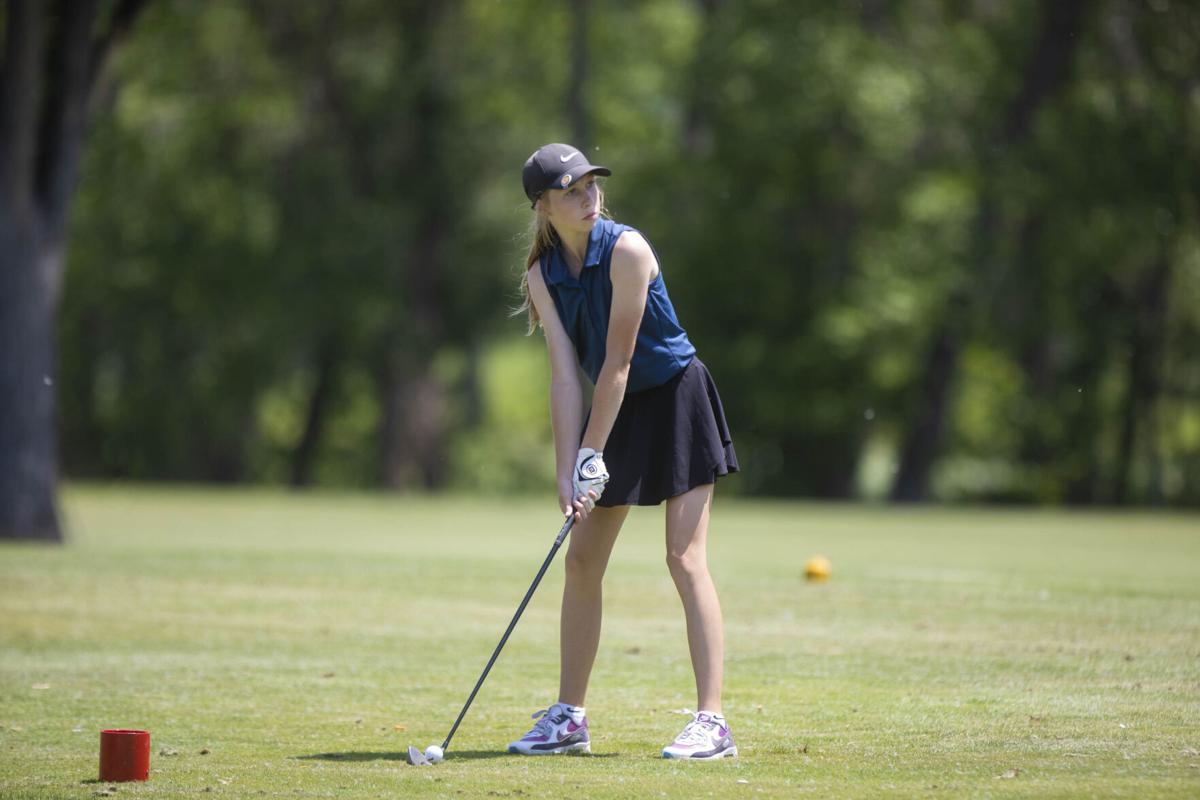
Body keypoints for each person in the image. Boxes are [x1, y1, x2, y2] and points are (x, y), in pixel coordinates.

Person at [506, 143, 739, 761]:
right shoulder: (541, 275)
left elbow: (619, 361)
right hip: (617, 412)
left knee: (684, 559)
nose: (589, 198)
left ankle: (713, 722)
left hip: (677, 398)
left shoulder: (628, 250)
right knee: (581, 560)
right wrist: (566, 471)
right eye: (572, 191)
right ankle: (569, 719)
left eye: (591, 187)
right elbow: (563, 376)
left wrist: (591, 452)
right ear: (544, 206)